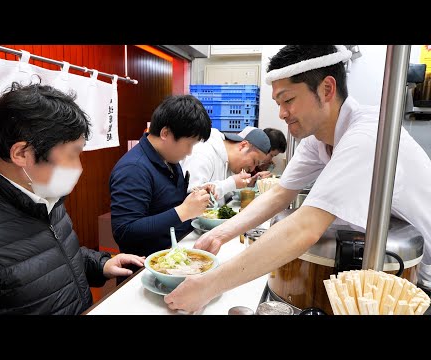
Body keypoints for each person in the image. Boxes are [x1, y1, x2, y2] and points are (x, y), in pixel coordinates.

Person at [164, 45, 431, 313]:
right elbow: (280, 193)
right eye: (278, 103)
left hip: (422, 272)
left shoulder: (366, 135)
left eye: (287, 100)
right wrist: (221, 232)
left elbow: (305, 228)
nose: (281, 113)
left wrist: (208, 285)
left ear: (326, 89)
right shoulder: (318, 139)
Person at [0, 81, 145, 314]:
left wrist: (100, 264)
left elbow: (51, 256)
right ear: (22, 153)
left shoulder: (43, 193)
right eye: (72, 154)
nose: (79, 167)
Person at [109, 95, 214, 259]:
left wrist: (194, 198)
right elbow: (125, 231)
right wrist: (183, 211)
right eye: (189, 144)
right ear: (165, 133)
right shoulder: (133, 168)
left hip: (177, 252)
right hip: (147, 267)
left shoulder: (168, 158)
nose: (189, 152)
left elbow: (165, 203)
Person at [180, 127, 272, 204]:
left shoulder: (229, 162)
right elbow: (191, 198)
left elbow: (226, 194)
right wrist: (231, 183)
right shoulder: (203, 153)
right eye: (254, 161)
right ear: (243, 146)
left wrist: (249, 183)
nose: (252, 169)